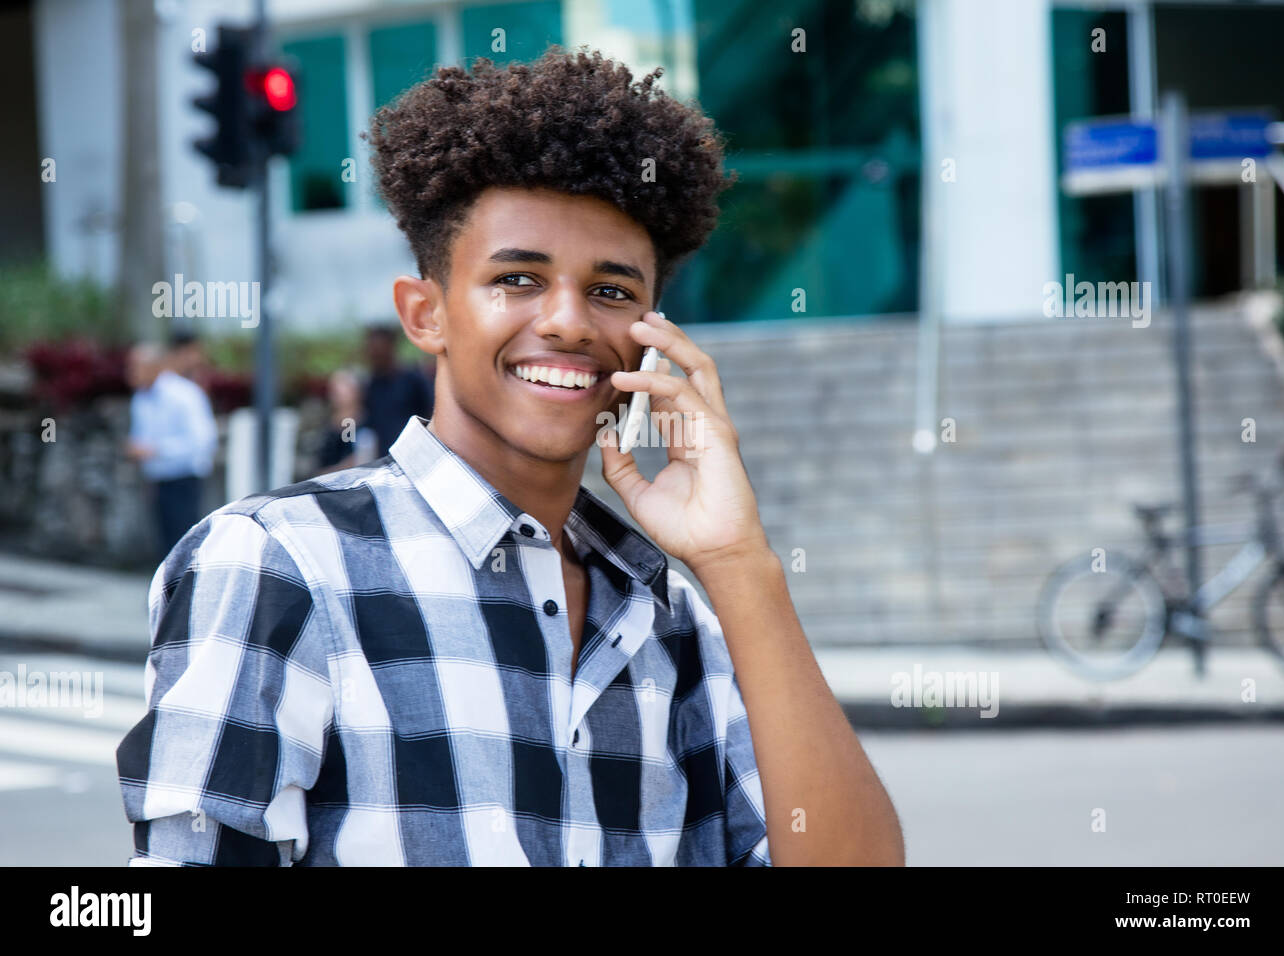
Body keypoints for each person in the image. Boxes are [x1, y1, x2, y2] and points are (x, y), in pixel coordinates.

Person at [116, 48, 903, 867]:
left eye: (611, 291)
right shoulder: (279, 565)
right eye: (519, 279)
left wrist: (740, 563)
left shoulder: (674, 619)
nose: (567, 321)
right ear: (426, 314)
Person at [123, 342, 218, 563]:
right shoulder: (141, 397)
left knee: (184, 545)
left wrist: (156, 450)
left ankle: (186, 596)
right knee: (164, 546)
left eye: (135, 366)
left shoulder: (183, 395)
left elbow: (203, 440)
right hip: (158, 480)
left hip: (183, 480)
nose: (129, 373)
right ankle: (166, 596)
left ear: (154, 366)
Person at [362, 323, 435, 454]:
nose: (374, 355)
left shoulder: (413, 380)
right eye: (371, 350)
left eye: (378, 350)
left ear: (390, 348)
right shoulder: (371, 385)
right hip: (383, 458)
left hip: (414, 453)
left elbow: (430, 414)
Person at [315, 368, 378, 473]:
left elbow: (354, 461)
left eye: (342, 388)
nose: (336, 393)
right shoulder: (331, 422)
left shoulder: (352, 423)